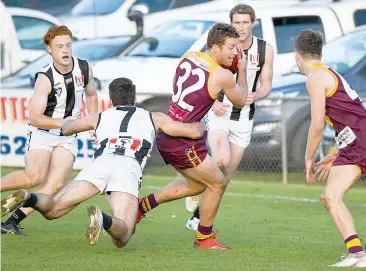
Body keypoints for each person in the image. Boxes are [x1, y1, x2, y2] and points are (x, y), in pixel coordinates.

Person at [1, 77, 206, 247]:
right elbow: (193, 132)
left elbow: (67, 128)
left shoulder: (98, 116)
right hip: (128, 168)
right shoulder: (155, 117)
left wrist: (72, 120)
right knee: (124, 234)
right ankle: (103, 219)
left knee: (53, 209)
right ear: (134, 98)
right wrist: (203, 120)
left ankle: (29, 197)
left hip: (100, 164)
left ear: (111, 99)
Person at [135, 22, 248, 249]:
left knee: (197, 186)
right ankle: (204, 238)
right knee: (217, 183)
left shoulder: (188, 57)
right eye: (231, 47)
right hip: (183, 141)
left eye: (237, 48)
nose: (236, 53)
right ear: (215, 48)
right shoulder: (222, 74)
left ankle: (142, 206)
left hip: (170, 134)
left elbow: (190, 91)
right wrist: (242, 70)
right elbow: (241, 100)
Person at [1, 25, 98, 236]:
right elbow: (34, 117)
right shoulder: (45, 77)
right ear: (49, 49)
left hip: (68, 136)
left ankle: (10, 222)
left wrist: (92, 121)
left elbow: (91, 95)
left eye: (68, 46)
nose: (65, 50)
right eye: (59, 46)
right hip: (42, 133)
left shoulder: (84, 68)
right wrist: (64, 122)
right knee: (33, 177)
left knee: (55, 184)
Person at [185, 4, 274, 231]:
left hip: (245, 118)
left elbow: (266, 85)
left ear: (253, 23)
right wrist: (212, 101)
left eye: (245, 22)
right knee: (221, 161)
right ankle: (197, 188)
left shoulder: (265, 49)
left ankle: (198, 218)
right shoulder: (221, 49)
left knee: (225, 178)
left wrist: (258, 95)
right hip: (220, 114)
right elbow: (203, 78)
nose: (241, 27)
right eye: (237, 23)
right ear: (231, 23)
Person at [295, 29, 366, 268]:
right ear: (320, 52)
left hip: (360, 142)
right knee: (330, 197)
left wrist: (308, 158)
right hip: (354, 143)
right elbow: (350, 118)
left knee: (331, 197)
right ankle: (357, 253)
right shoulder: (328, 72)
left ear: (297, 56)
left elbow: (316, 126)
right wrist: (335, 153)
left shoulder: (315, 77)